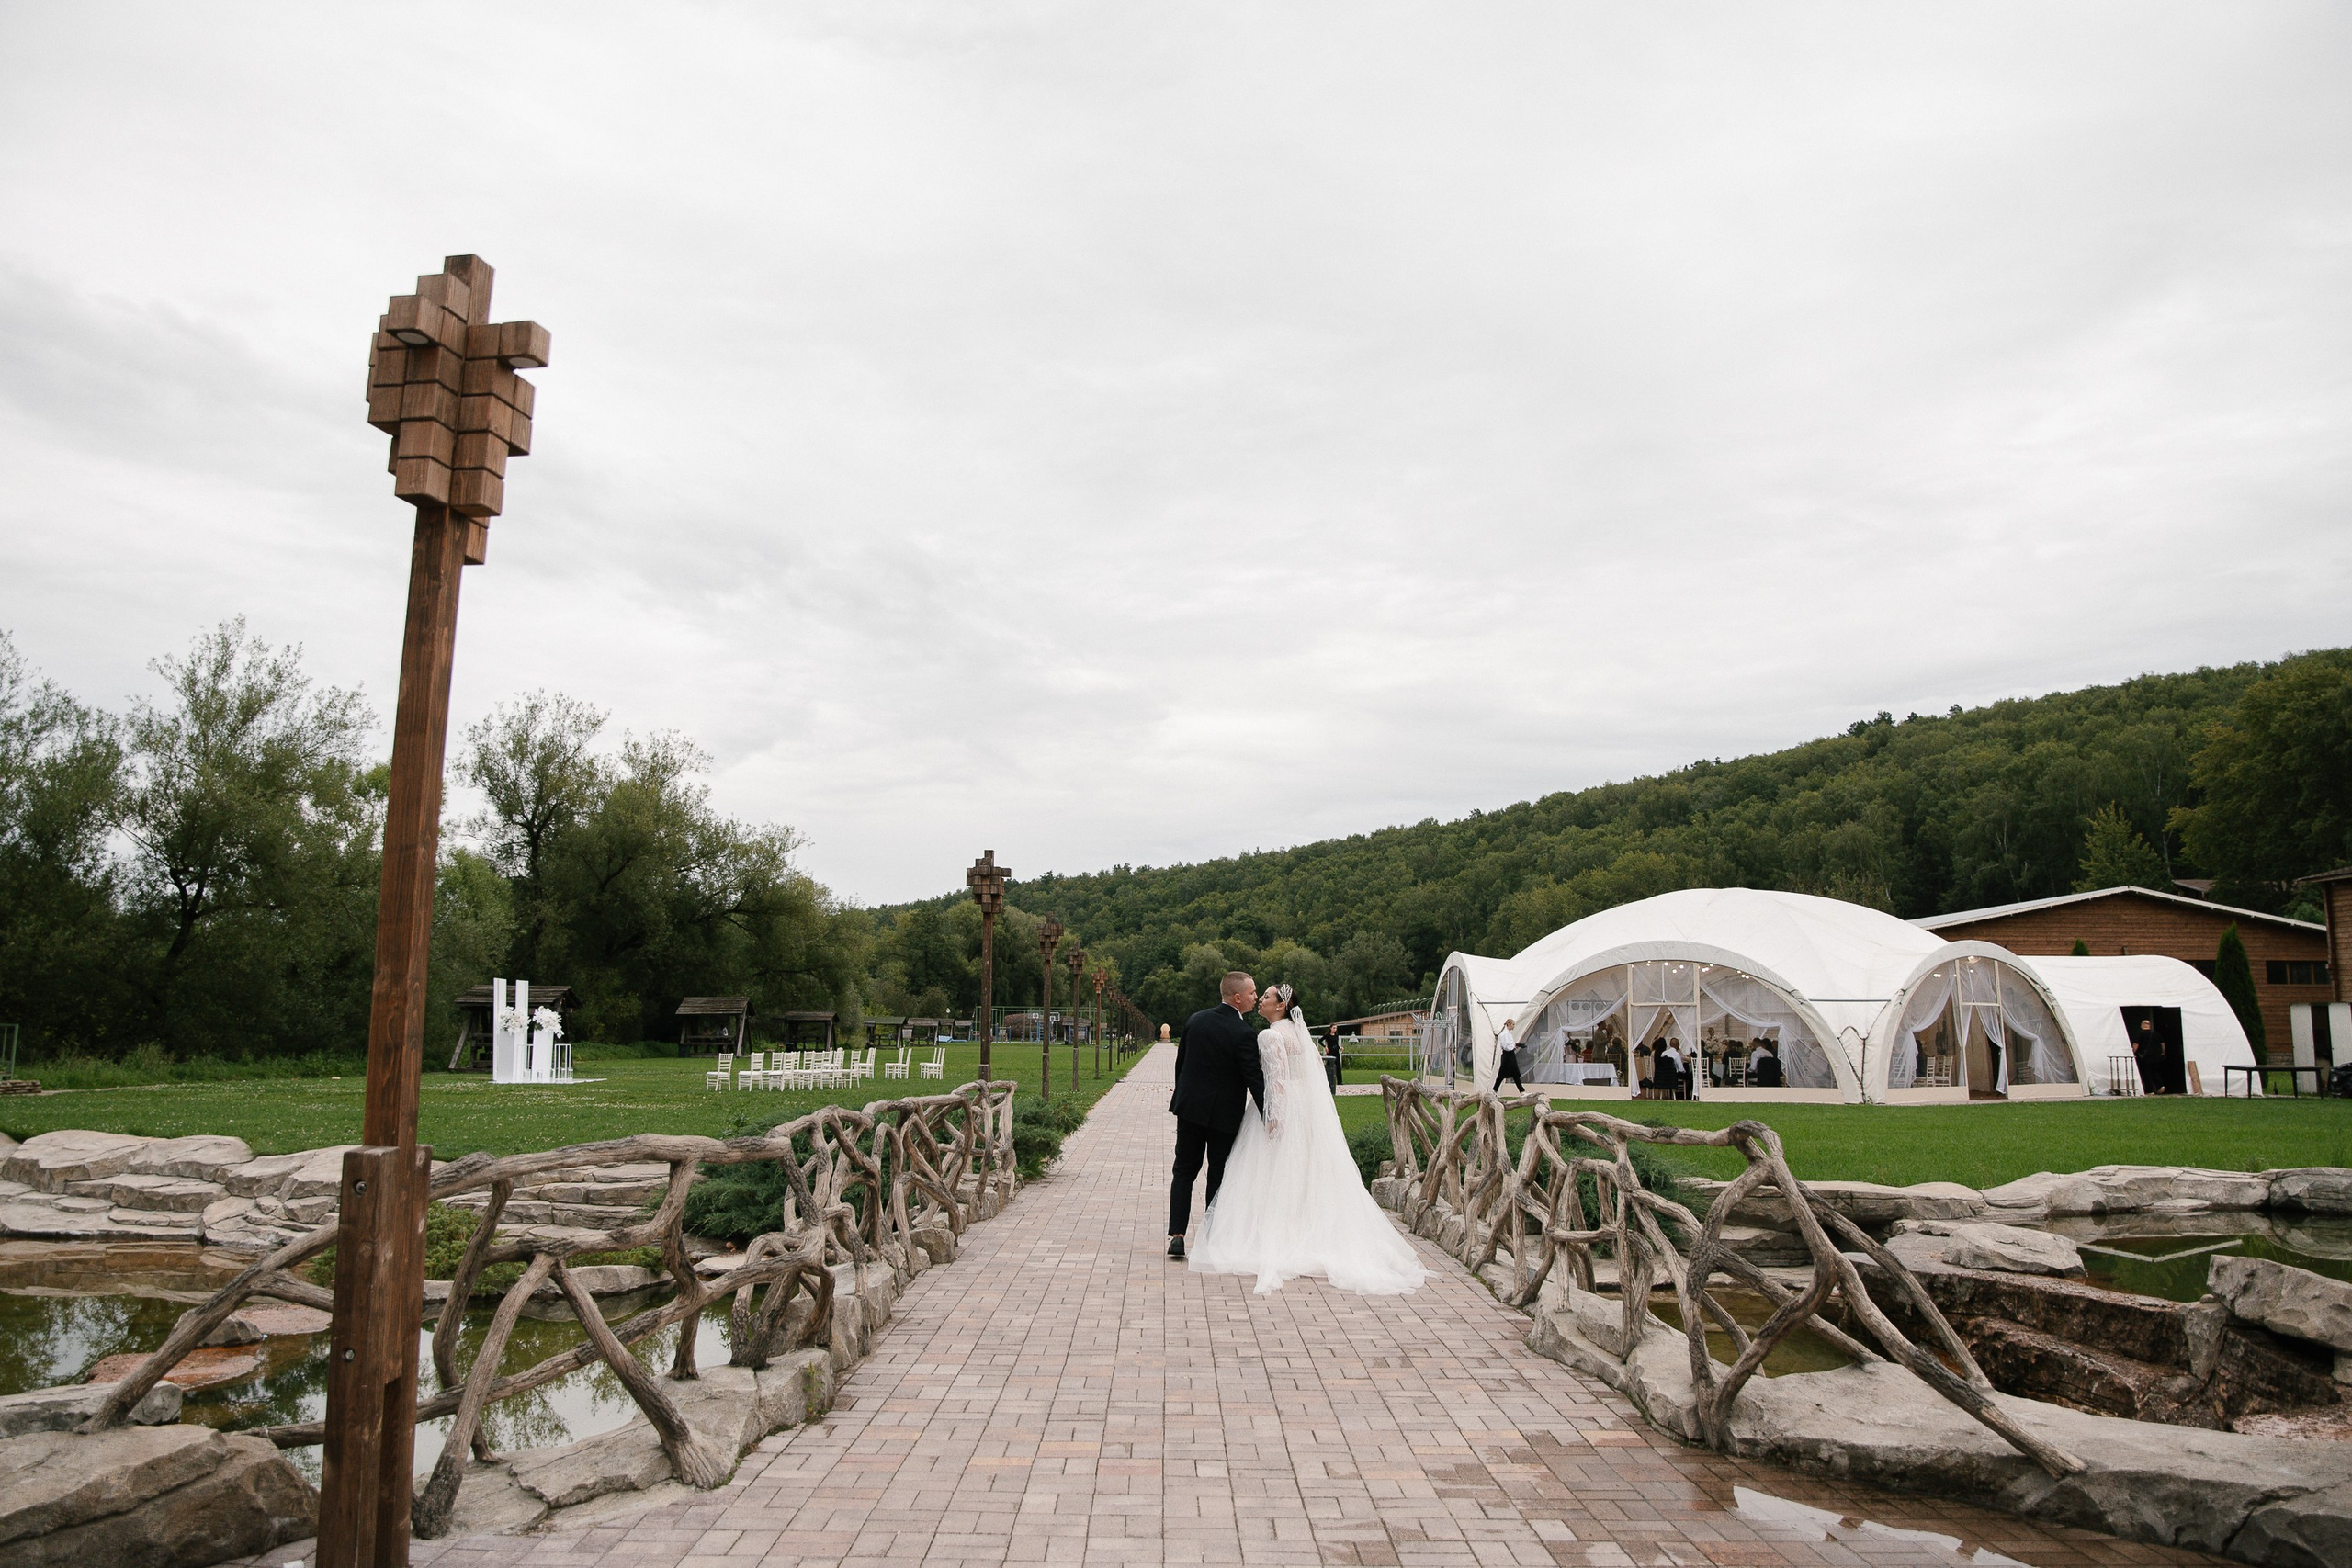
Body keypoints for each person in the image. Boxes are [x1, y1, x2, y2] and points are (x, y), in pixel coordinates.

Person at [1187, 983, 1426, 1295]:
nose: (1260, 1000)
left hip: (1283, 1107)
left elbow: (1278, 1081)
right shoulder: (1297, 1032)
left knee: (1273, 1172)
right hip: (1306, 1110)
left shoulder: (1270, 1035)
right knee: (1305, 1169)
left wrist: (1274, 1118)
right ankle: (1307, 1230)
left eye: (1267, 997)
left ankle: (1276, 1236)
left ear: (1281, 1006)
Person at [1167, 971, 1266, 1260]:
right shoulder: (1244, 1034)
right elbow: (1254, 1080)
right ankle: (1210, 1237)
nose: (1255, 997)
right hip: (1224, 1115)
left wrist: (1182, 1099)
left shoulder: (1195, 1021)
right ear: (1238, 997)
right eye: (1252, 992)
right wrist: (1268, 1114)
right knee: (1218, 1174)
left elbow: (1181, 1064)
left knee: (1183, 1171)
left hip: (1190, 1110)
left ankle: (1177, 1236)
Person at [1492, 1015, 1524, 1091]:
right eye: (1513, 1024)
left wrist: (1516, 1045)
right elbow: (1506, 1046)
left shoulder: (1508, 1034)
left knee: (1515, 1074)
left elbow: (1510, 1044)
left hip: (1510, 1055)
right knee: (1502, 1074)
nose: (1514, 1026)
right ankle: (1494, 1090)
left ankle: (1522, 1091)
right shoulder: (1504, 1034)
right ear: (1509, 1024)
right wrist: (1513, 1046)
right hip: (1507, 1056)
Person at [1322, 1021, 1343, 1091]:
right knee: (1328, 1066)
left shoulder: (1336, 1035)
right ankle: (1326, 1080)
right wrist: (1325, 1047)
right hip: (1330, 1052)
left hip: (1336, 1051)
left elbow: (1336, 1044)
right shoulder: (1327, 1035)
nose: (1335, 1029)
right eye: (1334, 1028)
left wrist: (1340, 1048)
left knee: (1338, 1066)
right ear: (1330, 1028)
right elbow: (1320, 1041)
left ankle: (1340, 1081)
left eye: (1336, 1028)